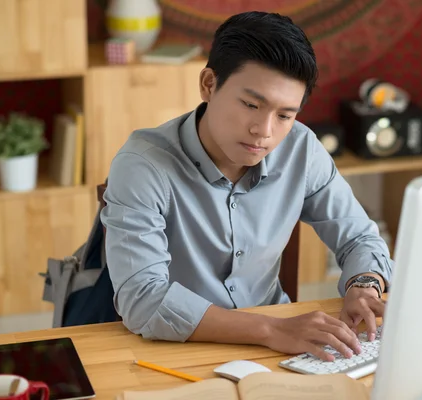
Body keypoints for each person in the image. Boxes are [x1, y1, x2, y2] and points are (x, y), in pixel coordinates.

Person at [100, 11, 393, 362]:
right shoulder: (143, 166)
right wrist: (271, 330)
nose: (264, 131)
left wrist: (365, 285)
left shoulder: (301, 148)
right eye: (252, 105)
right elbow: (144, 300)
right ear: (209, 84)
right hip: (176, 351)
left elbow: (359, 236)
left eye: (285, 115)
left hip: (283, 350)